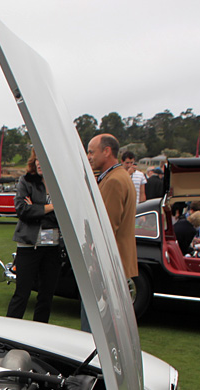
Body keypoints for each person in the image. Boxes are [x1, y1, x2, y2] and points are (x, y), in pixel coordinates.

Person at [85, 134, 137, 331]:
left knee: (96, 330)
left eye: (91, 151)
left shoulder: (114, 180)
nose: (89, 156)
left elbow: (106, 230)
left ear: (106, 151)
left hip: (108, 269)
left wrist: (97, 268)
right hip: (114, 267)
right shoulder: (117, 176)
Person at [5, 151, 63, 323]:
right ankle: (8, 333)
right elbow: (22, 210)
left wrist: (37, 209)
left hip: (53, 247)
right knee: (22, 294)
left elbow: (65, 214)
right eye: (37, 159)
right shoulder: (26, 181)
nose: (39, 163)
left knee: (46, 296)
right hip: (28, 245)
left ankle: (40, 334)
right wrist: (51, 207)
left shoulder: (60, 184)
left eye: (43, 159)